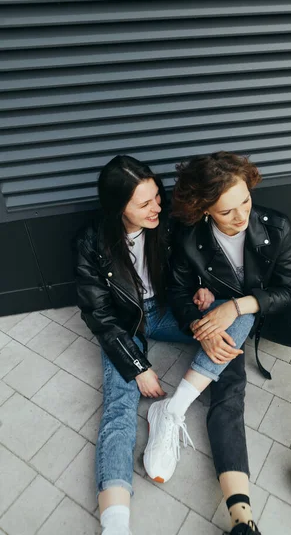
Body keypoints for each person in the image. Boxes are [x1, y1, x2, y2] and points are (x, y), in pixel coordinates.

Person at [162, 151, 291, 535]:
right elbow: (178, 294)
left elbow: (287, 290)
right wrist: (201, 326)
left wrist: (237, 306)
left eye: (245, 202)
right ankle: (241, 519)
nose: (241, 217)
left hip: (265, 312)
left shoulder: (276, 226)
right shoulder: (188, 238)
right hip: (223, 324)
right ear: (205, 210)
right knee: (229, 389)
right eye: (226, 212)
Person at [74, 155, 255, 535]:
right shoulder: (92, 242)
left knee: (240, 315)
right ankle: (115, 523)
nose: (157, 207)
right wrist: (138, 365)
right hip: (127, 326)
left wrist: (201, 292)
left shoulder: (170, 219)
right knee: (119, 407)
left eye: (157, 196)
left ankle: (171, 411)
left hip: (170, 311)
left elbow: (192, 267)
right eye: (144, 203)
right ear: (118, 207)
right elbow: (100, 317)